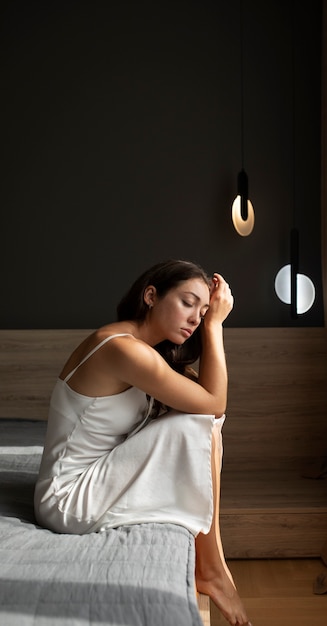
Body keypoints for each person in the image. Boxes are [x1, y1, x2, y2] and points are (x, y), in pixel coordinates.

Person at [34, 259, 252, 626]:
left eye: (203, 311)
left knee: (202, 424)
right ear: (151, 295)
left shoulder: (146, 350)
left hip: (91, 478)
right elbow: (214, 403)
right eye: (188, 303)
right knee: (200, 423)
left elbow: (208, 403)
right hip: (66, 498)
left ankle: (212, 566)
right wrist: (215, 325)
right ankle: (213, 567)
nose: (196, 318)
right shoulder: (121, 348)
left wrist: (209, 321)